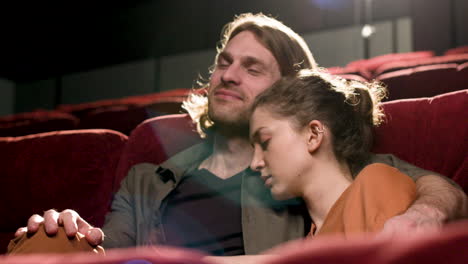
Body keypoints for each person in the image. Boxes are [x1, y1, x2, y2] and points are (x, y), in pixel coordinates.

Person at [10, 13, 467, 256]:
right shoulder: (147, 179)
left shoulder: (304, 162)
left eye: (252, 68)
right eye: (223, 62)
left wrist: (425, 213)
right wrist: (70, 234)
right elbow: (111, 251)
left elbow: (433, 185)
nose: (228, 75)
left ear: (287, 89)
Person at [249, 70, 416, 237]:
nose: (254, 163)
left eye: (265, 142)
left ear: (313, 135)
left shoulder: (375, 185)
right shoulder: (310, 239)